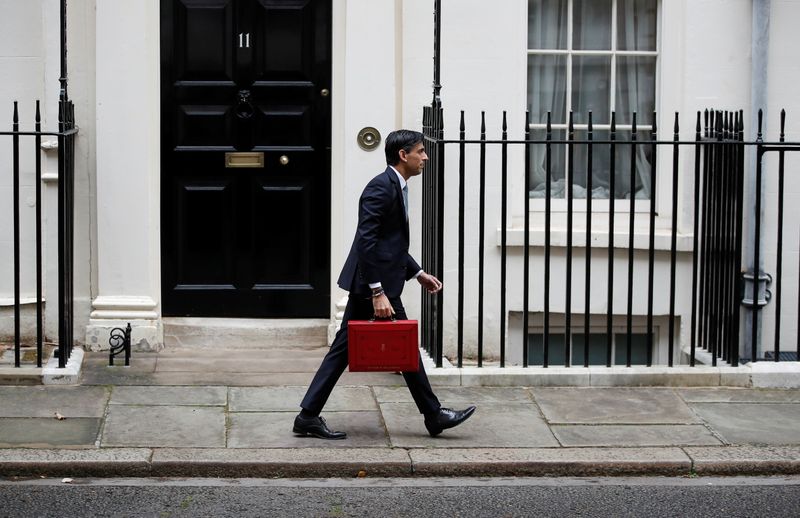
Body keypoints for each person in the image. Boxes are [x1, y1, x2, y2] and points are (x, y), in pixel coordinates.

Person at [293, 129, 476, 440]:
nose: (425, 157)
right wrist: (377, 291)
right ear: (403, 155)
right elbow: (367, 243)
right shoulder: (381, 187)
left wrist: (417, 273)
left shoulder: (396, 185)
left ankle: (307, 416)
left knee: (349, 350)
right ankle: (433, 415)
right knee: (401, 347)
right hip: (373, 287)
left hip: (377, 284)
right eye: (420, 151)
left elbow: (390, 244)